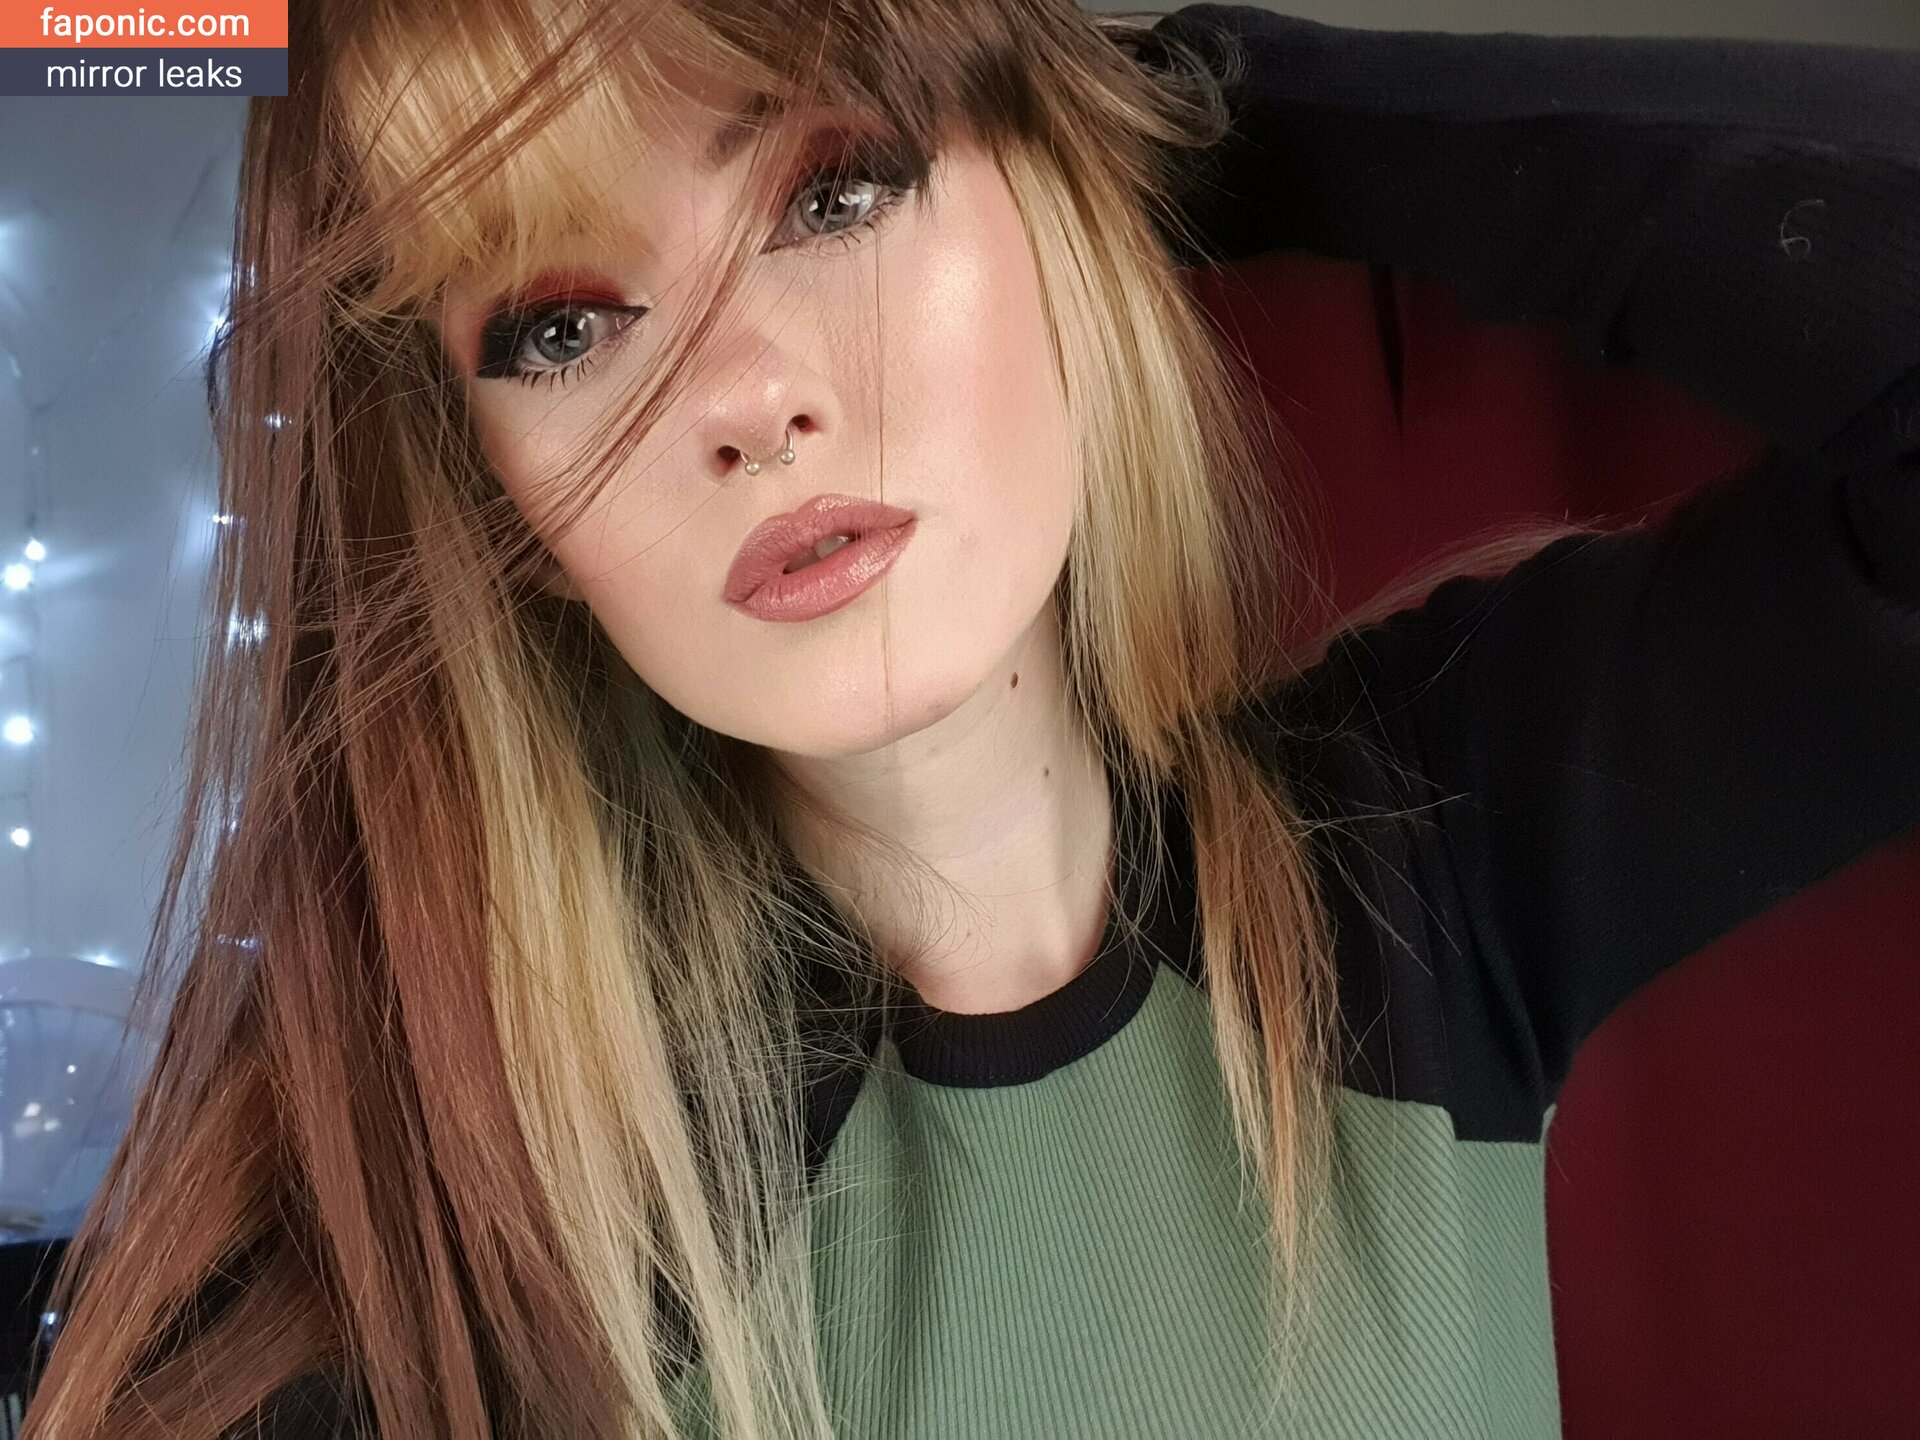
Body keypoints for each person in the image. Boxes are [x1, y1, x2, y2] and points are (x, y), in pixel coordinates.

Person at [22, 2, 1919, 1437]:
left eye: (835, 190)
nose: (745, 399)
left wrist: (1155, 101)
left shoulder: (1426, 853)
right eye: (563, 325)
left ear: (1065, 217)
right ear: (511, 519)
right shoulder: (447, 1250)